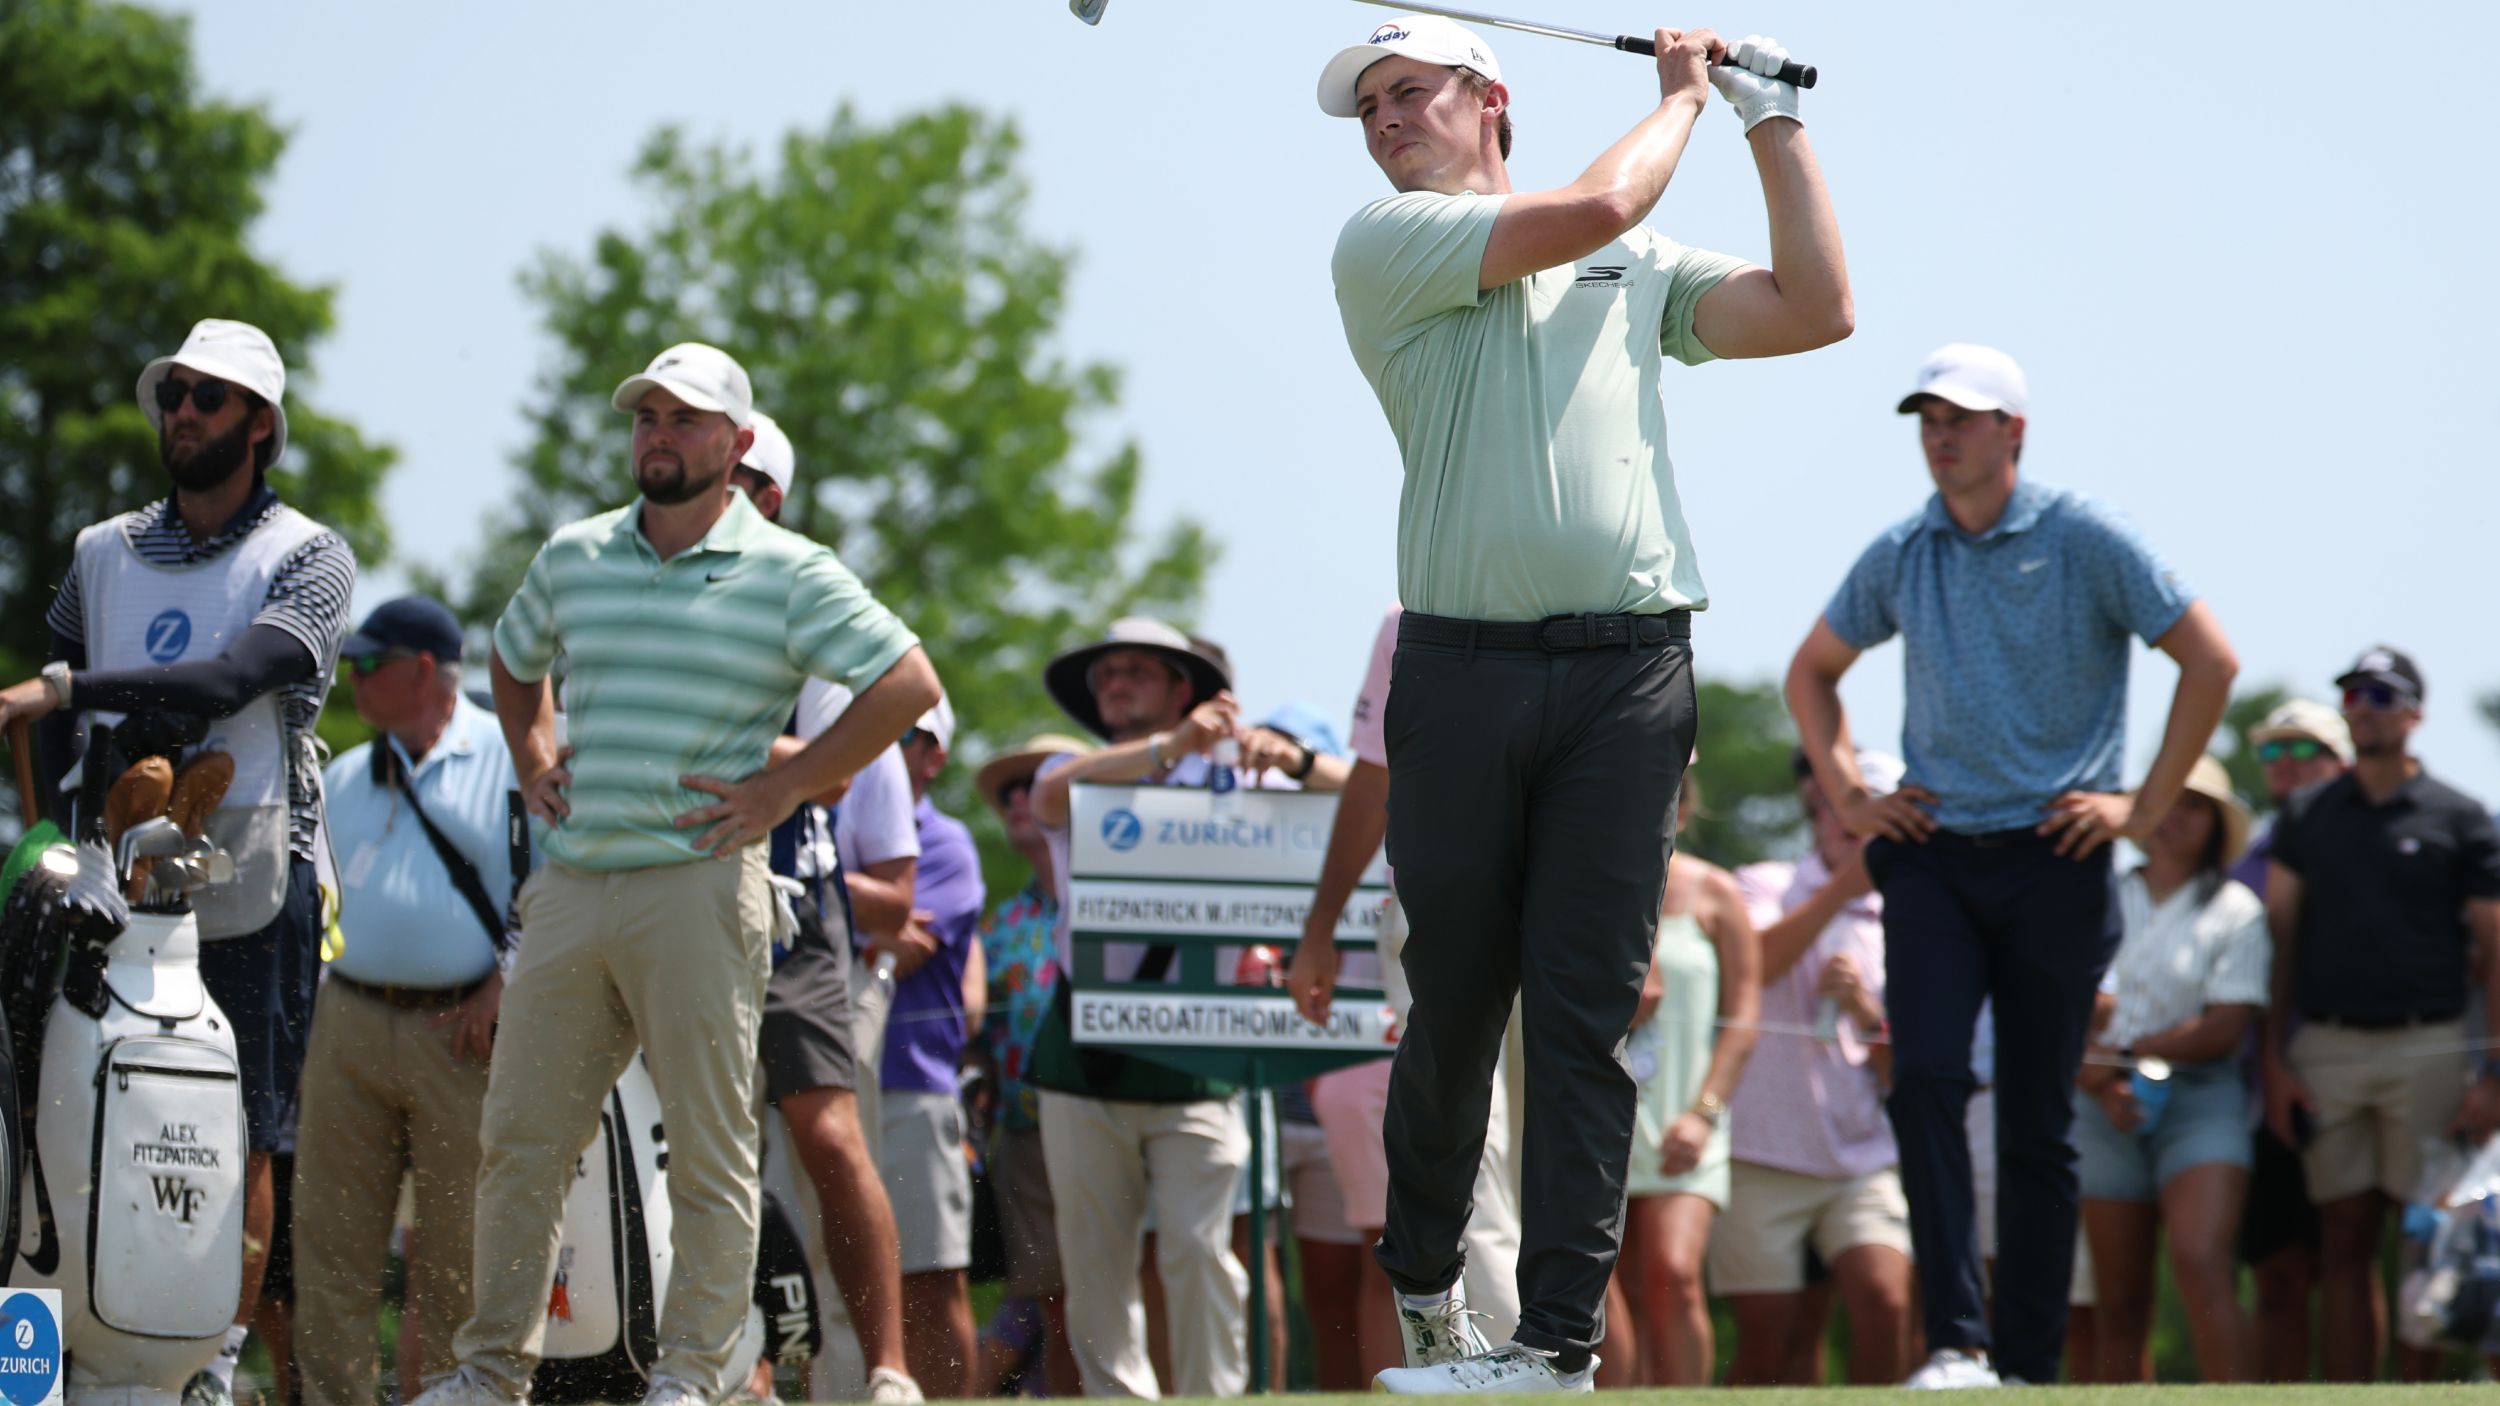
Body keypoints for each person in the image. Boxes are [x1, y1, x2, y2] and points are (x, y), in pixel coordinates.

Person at [1317, 9, 1852, 1390]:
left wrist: (1767, 118)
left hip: (1627, 676)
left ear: (1489, 98)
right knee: (1453, 1007)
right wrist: (1686, 91)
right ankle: (1433, 1289)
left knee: (1580, 1015)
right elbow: (1604, 194)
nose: (1384, 122)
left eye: (1408, 93)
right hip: (1460, 673)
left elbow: (1816, 311)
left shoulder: (1633, 258)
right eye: (1368, 107)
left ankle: (1556, 1340)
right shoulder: (1386, 244)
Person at [411, 343, 939, 1406]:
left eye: (687, 417)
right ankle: (487, 1370)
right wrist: (532, 758)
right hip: (569, 886)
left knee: (708, 1151)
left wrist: (789, 789)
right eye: (647, 414)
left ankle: (692, 1374)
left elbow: (906, 682)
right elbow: (514, 659)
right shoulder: (574, 553)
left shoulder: (790, 570)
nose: (659, 431)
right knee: (517, 1141)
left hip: (700, 885)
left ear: (736, 444)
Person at [1785, 343, 2239, 1388]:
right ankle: (1955, 1342)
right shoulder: (1903, 549)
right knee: (1929, 1079)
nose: (1941, 435)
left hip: (2057, 856)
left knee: (2038, 1117)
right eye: (1927, 418)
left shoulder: (2085, 535)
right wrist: (1853, 797)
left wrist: (2144, 805)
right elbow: (1811, 672)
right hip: (1933, 857)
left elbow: (2209, 659)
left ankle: (2026, 1364)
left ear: (2013, 432)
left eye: (1963, 416)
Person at [0, 317, 359, 1405]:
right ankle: (44, 1341)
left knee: (242, 1123)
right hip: (106, 878)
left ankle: (208, 1361)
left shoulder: (308, 552)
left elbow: (228, 679)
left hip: (253, 872)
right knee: (56, 1098)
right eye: (174, 394)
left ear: (259, 423)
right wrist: (65, 805)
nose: (182, 411)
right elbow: (66, 686)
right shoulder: (102, 549)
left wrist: (63, 690)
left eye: (207, 396)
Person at [729, 412, 924, 1403]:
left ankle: (887, 1368)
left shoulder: (803, 598)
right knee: (706, 1147)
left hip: (794, 905)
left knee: (827, 1133)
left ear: (771, 497)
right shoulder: (635, 586)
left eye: (744, 475)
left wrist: (676, 733)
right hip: (667, 893)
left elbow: (837, 774)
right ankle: (742, 1368)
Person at [1290, 604, 1526, 1387]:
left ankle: (1538, 1366)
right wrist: (1321, 927)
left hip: (1574, 921)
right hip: (1436, 916)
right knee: (1475, 1156)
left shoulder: (1611, 597)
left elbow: (1646, 783)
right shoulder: (1406, 621)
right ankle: (1499, 1373)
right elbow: (1374, 775)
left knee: (1562, 1156)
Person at [291, 596, 514, 1406]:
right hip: (347, 1018)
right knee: (330, 1247)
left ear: (424, 670)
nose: (352, 676)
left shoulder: (509, 757)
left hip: (463, 1029)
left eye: (369, 663)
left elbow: (550, 887)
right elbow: (314, 906)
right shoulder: (345, 775)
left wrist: (504, 983)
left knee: (458, 1255)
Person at [1024, 618, 1252, 1398]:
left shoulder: (1231, 772)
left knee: (1198, 1247)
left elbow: (1319, 803)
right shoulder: (1071, 767)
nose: (1114, 683)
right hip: (1085, 1044)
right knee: (1094, 1266)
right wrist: (1171, 746)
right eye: (1105, 674)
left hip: (1201, 1041)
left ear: (1181, 688)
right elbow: (1050, 795)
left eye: (1135, 671)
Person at [2262, 647, 2500, 1382]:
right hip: (2328, 1047)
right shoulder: (2304, 817)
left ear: (2416, 715)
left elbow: (2494, 952)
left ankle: (2421, 1397)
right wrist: (2275, 1061)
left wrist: (2492, 1071)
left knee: (2422, 1237)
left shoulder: (2460, 818)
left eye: (2381, 695)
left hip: (2427, 1046)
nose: (2363, 706)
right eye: (2353, 694)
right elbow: (2280, 943)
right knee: (2343, 1237)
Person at [1718, 751, 1916, 1387]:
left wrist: (1867, 1013)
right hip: (1761, 1153)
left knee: (1888, 1304)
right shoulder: (1761, 883)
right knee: (1770, 1344)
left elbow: (1901, 1072)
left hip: (1860, 1157)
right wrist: (1839, 894)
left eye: (1870, 810)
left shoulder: (1913, 916)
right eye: (1839, 805)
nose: (1849, 824)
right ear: (1819, 810)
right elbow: (1755, 968)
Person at [2075, 756, 2268, 1383]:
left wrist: (2124, 1057)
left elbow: (2226, 1024)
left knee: (2200, 1259)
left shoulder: (2237, 908)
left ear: (2215, 822)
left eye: (2193, 805)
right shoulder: (2098, 893)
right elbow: (2068, 1003)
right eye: (2167, 802)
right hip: (2101, 1100)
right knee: (2120, 1299)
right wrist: (2100, 1080)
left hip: (2200, 1097)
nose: (2175, 818)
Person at [1607, 775, 1759, 1387]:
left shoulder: (1718, 893)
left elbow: (1744, 1017)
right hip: (1602, 1122)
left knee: (1673, 1276)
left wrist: (1704, 1112)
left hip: (1686, 1119)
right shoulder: (1581, 885)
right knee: (1600, 1292)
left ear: (1687, 809)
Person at [969, 733, 1096, 1398]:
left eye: (1037, 785)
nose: (1021, 800)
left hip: (1114, 1118)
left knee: (1111, 1292)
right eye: (1011, 791)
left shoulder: (1119, 901)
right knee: (1050, 1298)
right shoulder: (1001, 925)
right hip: (1026, 1133)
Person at [2230, 698, 2349, 1382]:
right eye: (2274, 752)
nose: (2286, 765)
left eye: (2304, 751)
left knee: (2348, 1255)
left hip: (2360, 1061)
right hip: (2262, 1086)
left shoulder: (2378, 852)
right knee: (2277, 1265)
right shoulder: (2245, 867)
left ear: (2340, 763)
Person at [882, 698, 985, 1397]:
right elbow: (885, 933)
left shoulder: (945, 843)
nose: (881, 748)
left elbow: (907, 949)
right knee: (825, 1287)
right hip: (813, 1087)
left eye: (903, 735)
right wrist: (875, 918)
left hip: (915, 1091)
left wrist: (829, 906)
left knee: (930, 1281)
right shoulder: (820, 827)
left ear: (933, 756)